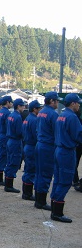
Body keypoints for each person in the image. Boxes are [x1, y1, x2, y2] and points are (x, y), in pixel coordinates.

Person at [50, 93, 82, 223]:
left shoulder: (61, 115)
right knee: (65, 181)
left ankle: (54, 208)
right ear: (73, 103)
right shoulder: (72, 117)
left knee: (58, 179)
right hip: (67, 152)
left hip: (59, 150)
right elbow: (78, 135)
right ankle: (57, 212)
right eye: (78, 103)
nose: (79, 105)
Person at [34, 91, 60, 211]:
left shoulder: (41, 112)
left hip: (40, 144)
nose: (58, 103)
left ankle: (38, 199)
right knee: (46, 173)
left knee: (39, 172)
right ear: (51, 101)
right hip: (48, 146)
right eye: (56, 101)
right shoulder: (52, 114)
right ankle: (41, 201)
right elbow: (57, 132)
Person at [3, 98, 26, 193]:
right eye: (23, 106)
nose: (24, 108)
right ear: (19, 106)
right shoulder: (17, 117)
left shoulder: (11, 115)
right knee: (14, 162)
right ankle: (9, 185)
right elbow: (19, 132)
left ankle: (7, 183)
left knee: (10, 161)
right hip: (15, 141)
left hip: (10, 140)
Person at [21, 100, 42, 200]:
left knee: (28, 169)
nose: (41, 110)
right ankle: (27, 193)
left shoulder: (27, 118)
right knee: (31, 169)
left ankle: (26, 192)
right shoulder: (34, 120)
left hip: (27, 145)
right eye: (39, 108)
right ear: (35, 109)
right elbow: (36, 135)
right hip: (32, 146)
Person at [0, 96, 13, 186]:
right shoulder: (7, 113)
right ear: (7, 102)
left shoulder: (0, 112)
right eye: (11, 102)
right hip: (4, 136)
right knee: (3, 156)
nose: (12, 104)